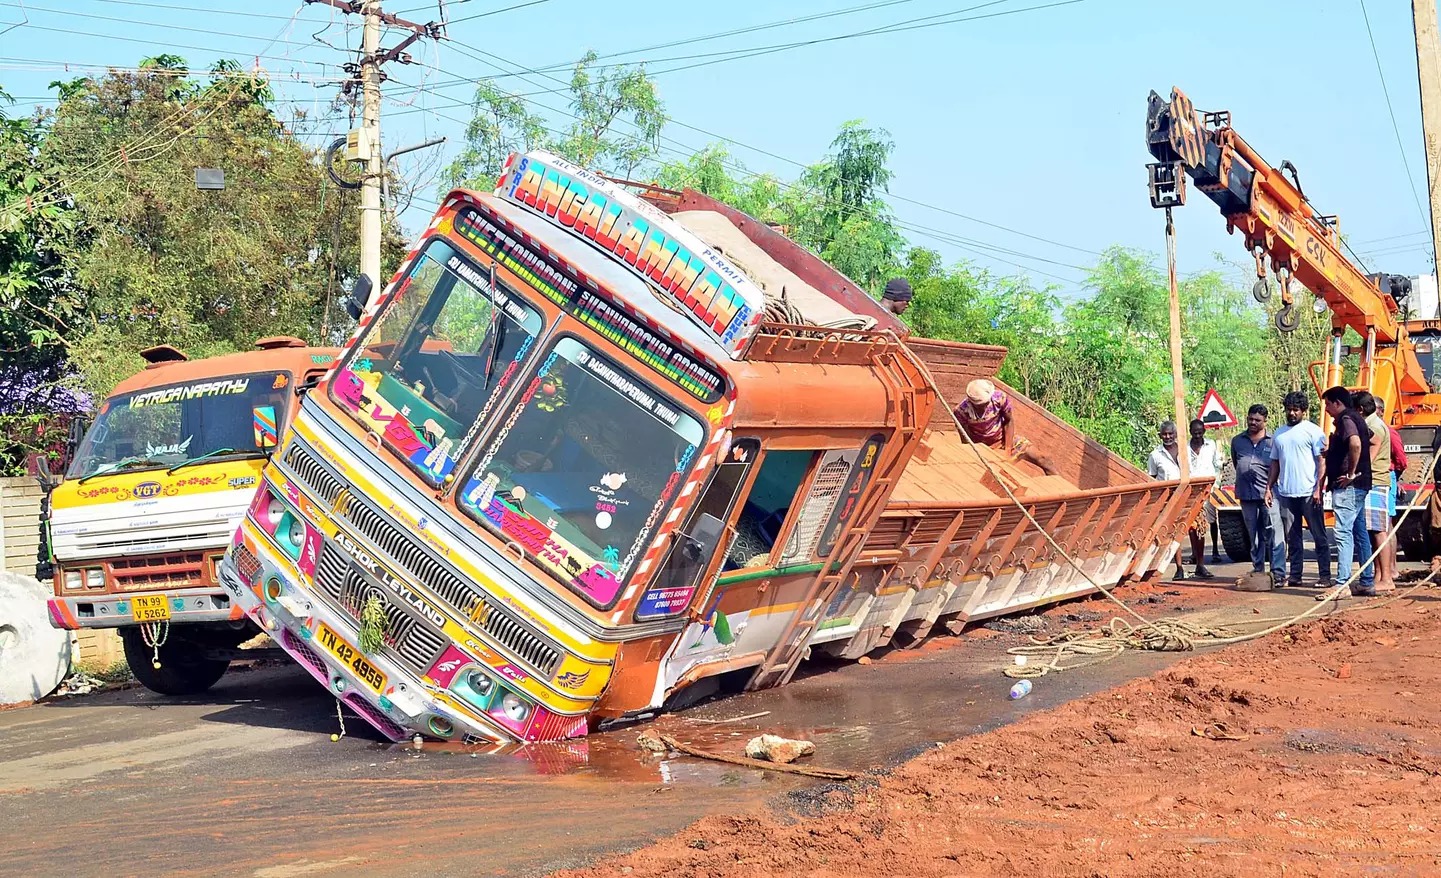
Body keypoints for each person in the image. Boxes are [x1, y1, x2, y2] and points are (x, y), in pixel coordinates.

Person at [1267, 391, 1331, 587]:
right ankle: (1295, 575)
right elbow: (1275, 464)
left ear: (1304, 410)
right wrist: (1269, 488)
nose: (1292, 413)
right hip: (1286, 494)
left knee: (1319, 535)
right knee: (1293, 538)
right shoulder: (1279, 434)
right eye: (1289, 410)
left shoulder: (1313, 431)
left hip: (1309, 494)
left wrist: (1317, 489)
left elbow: (1322, 461)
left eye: (1296, 410)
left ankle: (1325, 577)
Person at [1319, 386, 1375, 597]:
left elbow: (1355, 443)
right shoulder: (1357, 419)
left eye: (1327, 405)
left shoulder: (1346, 420)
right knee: (1360, 533)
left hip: (1348, 487)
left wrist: (1351, 472)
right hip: (1359, 486)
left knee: (1343, 533)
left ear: (1337, 403)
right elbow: (1364, 439)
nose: (1326, 409)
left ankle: (1342, 583)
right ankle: (1367, 581)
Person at [955, 378, 1059, 476]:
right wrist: (979, 455)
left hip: (1005, 441)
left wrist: (1008, 450)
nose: (985, 405)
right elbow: (966, 440)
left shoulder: (999, 398)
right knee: (995, 476)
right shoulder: (962, 412)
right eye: (981, 404)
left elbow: (1009, 421)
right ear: (973, 403)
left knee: (1044, 460)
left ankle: (1063, 490)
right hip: (984, 448)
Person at [1231, 404, 1287, 585]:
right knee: (1253, 534)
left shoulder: (1274, 441)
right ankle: (1258, 569)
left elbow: (1278, 466)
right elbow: (1236, 462)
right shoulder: (1237, 441)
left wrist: (1269, 488)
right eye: (1250, 419)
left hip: (1268, 494)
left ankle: (1278, 573)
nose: (1253, 423)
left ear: (1265, 421)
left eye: (1257, 420)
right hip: (1246, 495)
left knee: (1274, 531)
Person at [1355, 392, 1396, 591]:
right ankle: (1380, 575)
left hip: (1376, 482)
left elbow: (1368, 459)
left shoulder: (1374, 427)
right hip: (1374, 482)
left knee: (1379, 531)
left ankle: (1386, 578)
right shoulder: (1372, 424)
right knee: (1373, 531)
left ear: (1360, 410)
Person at [1146, 421, 1191, 580]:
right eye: (1164, 434)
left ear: (1175, 434)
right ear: (1160, 436)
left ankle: (1200, 565)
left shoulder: (1185, 451)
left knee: (1193, 530)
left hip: (1187, 496)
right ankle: (1178, 568)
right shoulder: (1155, 455)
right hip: (1167, 499)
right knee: (1172, 534)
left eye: (1170, 434)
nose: (1167, 437)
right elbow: (1151, 479)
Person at [1186, 418, 1221, 579]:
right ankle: (1196, 555)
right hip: (1192, 490)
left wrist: (1216, 484)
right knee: (1194, 524)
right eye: (1194, 433)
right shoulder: (1185, 448)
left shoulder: (1211, 445)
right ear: (1190, 432)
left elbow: (1217, 464)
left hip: (1209, 488)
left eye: (1200, 433)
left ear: (1204, 432)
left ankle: (1214, 549)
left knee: (1210, 521)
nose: (1197, 436)